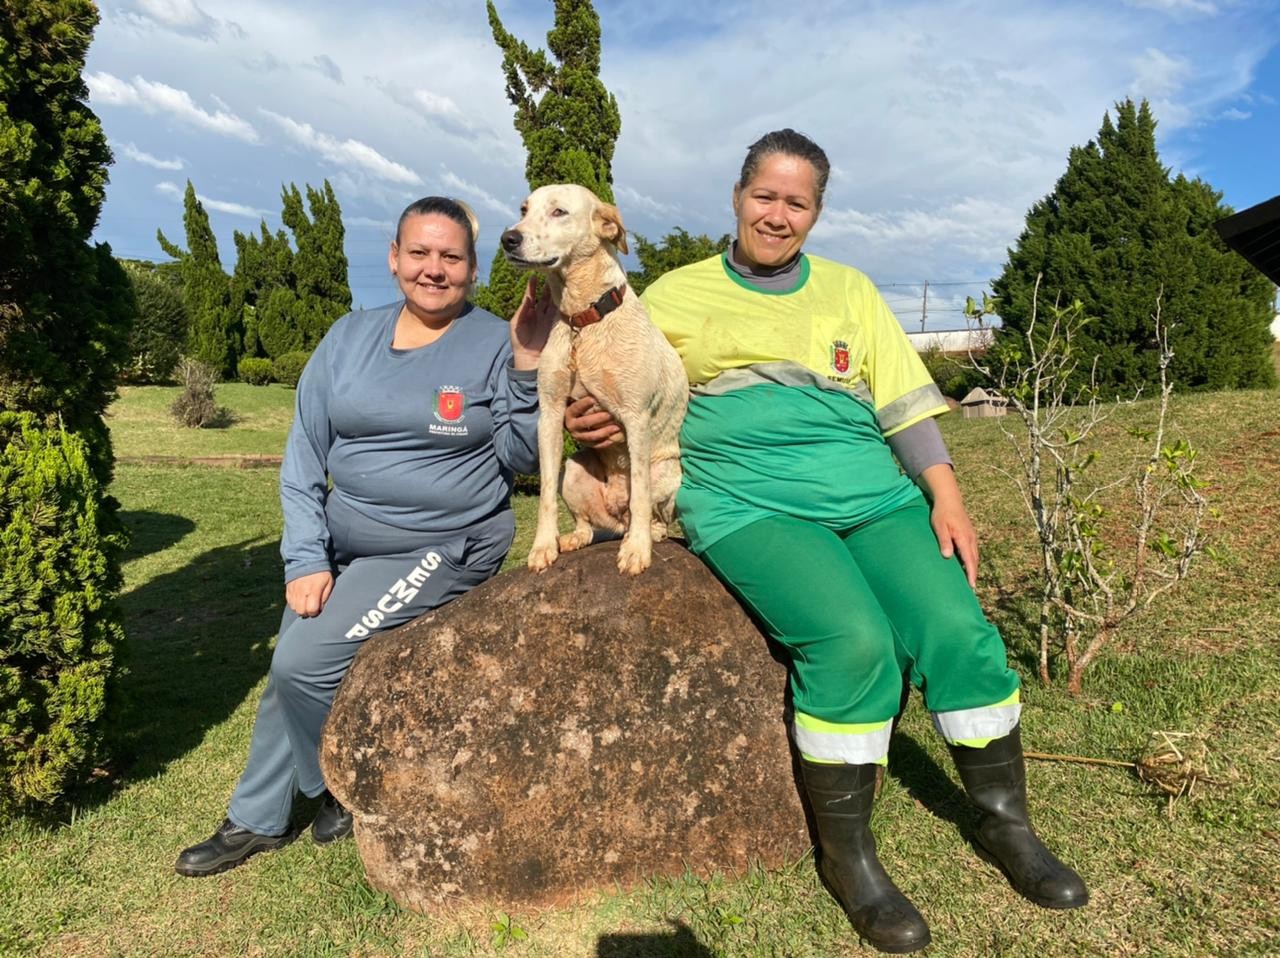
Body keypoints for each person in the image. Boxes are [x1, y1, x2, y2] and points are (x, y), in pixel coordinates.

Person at [567, 130, 1087, 954]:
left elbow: (905, 403)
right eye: (765, 196)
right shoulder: (673, 294)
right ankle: (850, 861)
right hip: (746, 501)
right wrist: (590, 412)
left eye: (797, 202)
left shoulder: (850, 290)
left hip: (872, 497)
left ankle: (1006, 824)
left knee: (959, 633)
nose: (778, 214)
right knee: (852, 643)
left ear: (815, 213)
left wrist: (945, 498)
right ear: (738, 198)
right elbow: (614, 369)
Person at [175, 196, 556, 877]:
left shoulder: (497, 341)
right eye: (420, 253)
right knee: (292, 658)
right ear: (393, 257)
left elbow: (525, 459)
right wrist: (305, 557)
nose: (433, 269)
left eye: (451, 257)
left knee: (300, 663)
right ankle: (259, 819)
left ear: (472, 268)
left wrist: (527, 366)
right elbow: (302, 458)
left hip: (442, 546)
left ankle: (336, 789)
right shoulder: (348, 337)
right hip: (347, 543)